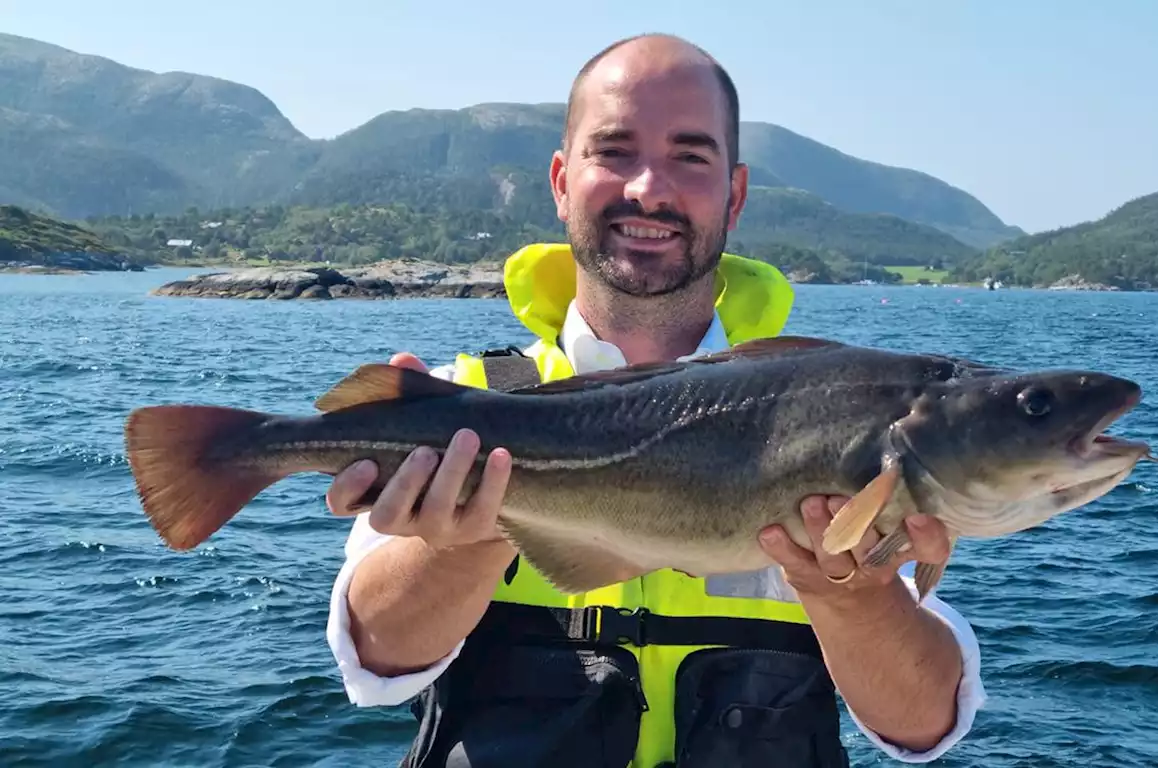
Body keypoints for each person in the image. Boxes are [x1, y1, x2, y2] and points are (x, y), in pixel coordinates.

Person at [324, 33, 986, 768]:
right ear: (561, 181)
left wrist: (855, 596)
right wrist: (458, 547)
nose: (649, 188)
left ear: (734, 194)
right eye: (613, 150)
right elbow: (376, 662)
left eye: (690, 156)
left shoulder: (829, 417)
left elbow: (923, 723)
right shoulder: (464, 406)